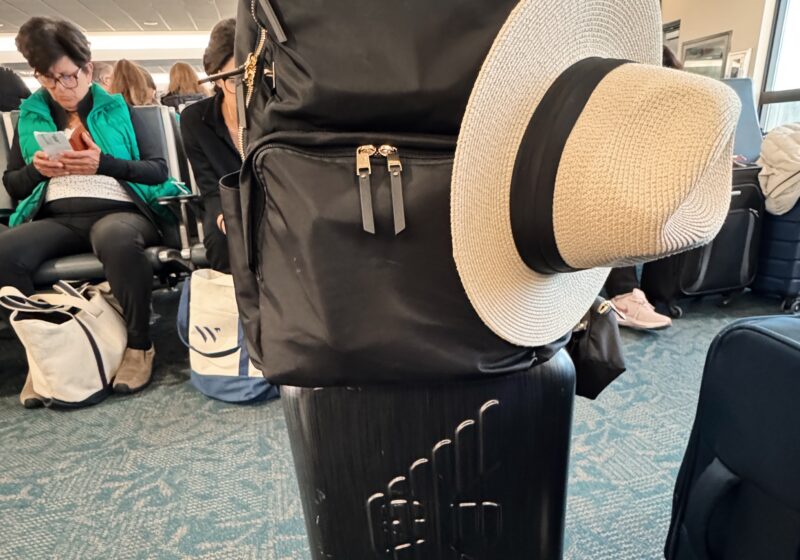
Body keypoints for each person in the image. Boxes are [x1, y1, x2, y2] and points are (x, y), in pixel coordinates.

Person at [0, 17, 183, 407]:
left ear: (87, 69)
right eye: (48, 79)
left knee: (115, 239)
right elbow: (13, 184)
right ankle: (43, 353)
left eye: (67, 76)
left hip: (121, 209)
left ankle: (139, 346)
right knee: (5, 251)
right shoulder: (31, 117)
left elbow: (158, 170)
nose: (60, 88)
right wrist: (37, 170)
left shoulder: (120, 109)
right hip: (57, 216)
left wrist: (105, 164)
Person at [603, 45, 684, 331]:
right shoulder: (613, 103)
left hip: (648, 180)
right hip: (607, 180)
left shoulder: (671, 113)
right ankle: (625, 295)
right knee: (612, 202)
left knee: (677, 209)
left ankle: (657, 298)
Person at [180, 19, 240, 272]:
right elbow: (209, 185)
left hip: (280, 198)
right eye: (235, 81)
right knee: (222, 237)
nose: (249, 91)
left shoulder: (278, 112)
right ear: (216, 78)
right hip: (228, 199)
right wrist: (223, 215)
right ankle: (236, 309)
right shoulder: (196, 119)